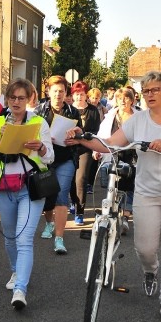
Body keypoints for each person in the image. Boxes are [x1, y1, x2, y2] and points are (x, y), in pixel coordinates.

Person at [71, 71, 161, 322]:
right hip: (147, 192)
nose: (150, 95)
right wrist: (81, 139)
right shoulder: (137, 120)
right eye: (146, 91)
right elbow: (110, 144)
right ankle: (150, 271)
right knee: (145, 248)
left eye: (155, 90)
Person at [0, 78, 54, 309]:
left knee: (24, 240)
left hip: (30, 189)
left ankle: (20, 289)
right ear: (6, 99)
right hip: (3, 187)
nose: (16, 101)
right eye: (12, 97)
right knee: (10, 237)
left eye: (21, 98)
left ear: (29, 99)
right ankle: (15, 271)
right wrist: (2, 139)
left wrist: (41, 147)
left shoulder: (39, 122)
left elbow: (49, 157)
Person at [33, 75, 82, 255]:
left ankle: (59, 239)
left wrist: (75, 139)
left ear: (66, 93)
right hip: (45, 159)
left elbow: (80, 134)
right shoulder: (39, 111)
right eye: (55, 91)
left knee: (62, 195)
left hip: (66, 158)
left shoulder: (73, 111)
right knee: (48, 195)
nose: (58, 95)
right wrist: (43, 138)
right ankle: (49, 222)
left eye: (61, 91)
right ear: (48, 92)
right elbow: (31, 135)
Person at [96, 86, 138, 234]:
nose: (123, 101)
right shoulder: (110, 116)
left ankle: (126, 217)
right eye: (120, 98)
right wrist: (97, 150)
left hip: (132, 155)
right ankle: (113, 212)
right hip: (113, 154)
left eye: (127, 98)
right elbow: (102, 134)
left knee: (129, 186)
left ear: (132, 101)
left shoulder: (138, 117)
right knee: (113, 185)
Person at [70, 81, 101, 225]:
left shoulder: (93, 111)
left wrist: (89, 141)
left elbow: (96, 131)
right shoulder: (69, 110)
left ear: (85, 95)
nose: (79, 97)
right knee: (70, 179)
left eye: (81, 94)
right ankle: (73, 201)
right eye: (76, 94)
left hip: (86, 148)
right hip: (70, 148)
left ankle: (80, 211)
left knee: (81, 179)